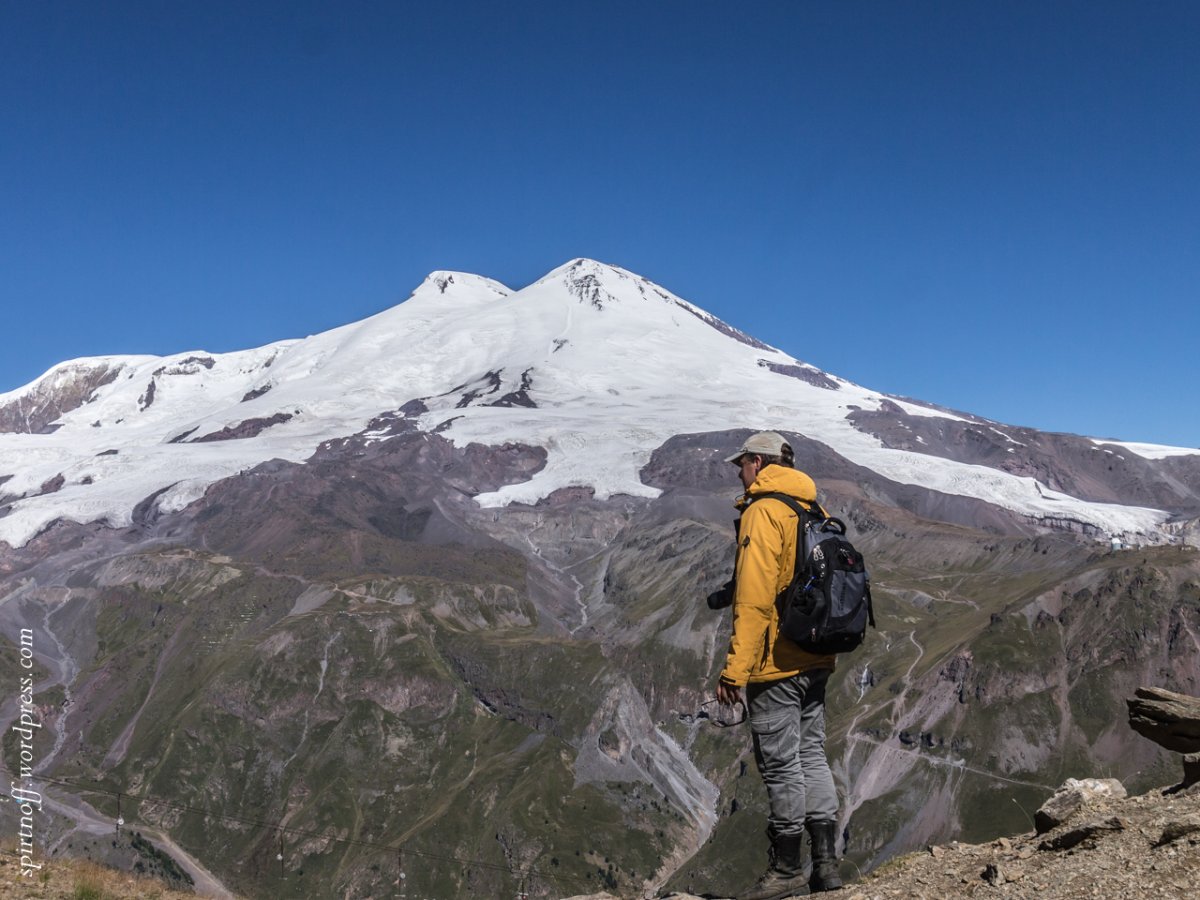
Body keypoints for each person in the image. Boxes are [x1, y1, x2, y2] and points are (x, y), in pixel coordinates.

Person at [715, 431, 842, 898]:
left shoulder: (763, 511)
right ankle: (826, 866)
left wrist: (736, 670)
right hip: (818, 655)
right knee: (812, 754)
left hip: (777, 661)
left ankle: (787, 870)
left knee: (781, 765)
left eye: (740, 465)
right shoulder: (813, 509)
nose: (738, 473)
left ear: (756, 461)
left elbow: (755, 598)